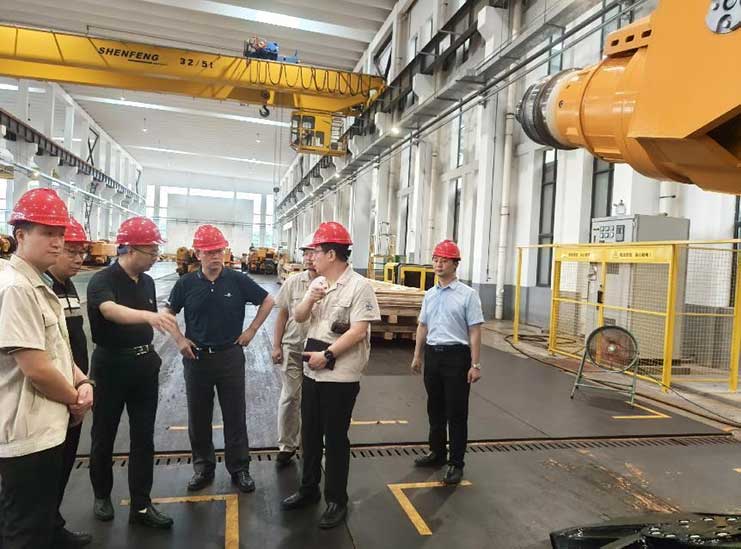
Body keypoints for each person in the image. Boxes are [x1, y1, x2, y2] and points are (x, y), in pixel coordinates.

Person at [0, 189, 93, 548]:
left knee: (39, 520)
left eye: (60, 234)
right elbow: (36, 369)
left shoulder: (37, 284)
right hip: (28, 434)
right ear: (20, 235)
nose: (57, 242)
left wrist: (82, 380)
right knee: (25, 532)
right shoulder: (17, 289)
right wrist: (76, 400)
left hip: (45, 427)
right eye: (47, 233)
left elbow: (57, 351)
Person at [281, 222, 381, 529]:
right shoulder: (318, 283)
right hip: (313, 371)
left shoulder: (360, 286)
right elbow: (299, 317)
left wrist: (327, 355)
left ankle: (337, 500)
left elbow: (359, 330)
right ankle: (309, 489)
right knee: (310, 435)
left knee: (335, 438)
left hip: (339, 376)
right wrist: (310, 298)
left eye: (316, 251)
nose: (311, 257)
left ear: (332, 254)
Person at [164, 225, 274, 493]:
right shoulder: (186, 283)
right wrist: (179, 339)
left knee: (235, 414)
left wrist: (251, 330)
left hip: (230, 357)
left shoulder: (237, 280)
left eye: (219, 251)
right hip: (197, 358)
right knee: (198, 416)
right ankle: (203, 468)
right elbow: (167, 312)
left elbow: (268, 300)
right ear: (198, 254)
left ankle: (239, 468)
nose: (215, 256)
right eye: (209, 252)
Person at [87, 216, 178, 529]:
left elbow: (150, 316)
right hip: (111, 366)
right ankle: (102, 495)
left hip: (143, 366)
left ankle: (141, 504)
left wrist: (159, 318)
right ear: (129, 249)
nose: (155, 257)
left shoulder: (148, 282)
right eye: (151, 251)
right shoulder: (103, 280)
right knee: (104, 434)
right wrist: (149, 317)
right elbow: (109, 310)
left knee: (143, 437)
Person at [411, 239, 484, 485]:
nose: (438, 264)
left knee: (456, 412)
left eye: (444, 260)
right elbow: (423, 326)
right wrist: (417, 355)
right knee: (435, 408)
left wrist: (475, 364)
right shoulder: (430, 295)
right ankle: (437, 453)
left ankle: (456, 463)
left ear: (455, 264)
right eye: (435, 260)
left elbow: (474, 330)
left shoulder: (468, 295)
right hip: (433, 355)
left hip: (456, 357)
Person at [47, 216, 95, 548]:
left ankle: (52, 526)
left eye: (82, 252)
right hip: (54, 396)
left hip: (73, 394)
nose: (79, 259)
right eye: (72, 252)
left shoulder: (67, 285)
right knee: (41, 475)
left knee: (62, 467)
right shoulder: (41, 289)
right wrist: (71, 395)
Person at [271, 236, 318, 467]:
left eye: (313, 252)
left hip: (319, 352)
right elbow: (282, 314)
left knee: (314, 400)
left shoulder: (333, 285)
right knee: (290, 396)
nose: (308, 257)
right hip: (293, 346)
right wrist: (276, 345)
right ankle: (287, 446)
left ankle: (311, 444)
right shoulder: (293, 282)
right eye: (305, 252)